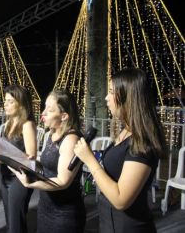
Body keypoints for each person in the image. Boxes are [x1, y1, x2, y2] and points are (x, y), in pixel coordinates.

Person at [74, 68, 166, 232]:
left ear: (128, 97)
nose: (106, 97)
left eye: (110, 92)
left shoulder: (142, 141)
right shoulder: (125, 130)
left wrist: (90, 160)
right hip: (109, 222)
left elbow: (121, 199)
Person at [12, 89, 85, 233]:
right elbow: (51, 165)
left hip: (64, 214)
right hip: (46, 206)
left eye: (50, 110)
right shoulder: (52, 133)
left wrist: (30, 183)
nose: (43, 113)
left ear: (63, 116)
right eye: (45, 107)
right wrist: (30, 161)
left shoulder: (71, 139)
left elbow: (63, 181)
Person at [0, 85, 37, 233]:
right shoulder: (7, 124)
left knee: (16, 222)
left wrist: (3, 157)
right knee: (10, 220)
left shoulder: (27, 124)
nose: (5, 104)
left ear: (21, 103)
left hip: (20, 177)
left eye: (10, 101)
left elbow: (31, 156)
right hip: (6, 175)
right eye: (5, 101)